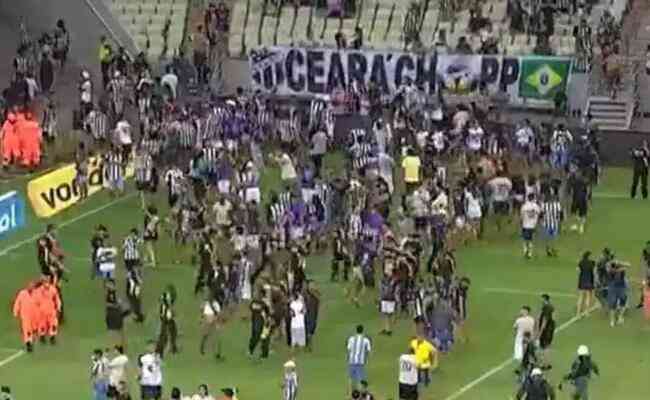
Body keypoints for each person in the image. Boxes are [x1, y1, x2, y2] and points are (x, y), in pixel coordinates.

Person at [12, 282, 38, 352]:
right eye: (30, 287)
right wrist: (15, 311)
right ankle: (28, 343)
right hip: (25, 315)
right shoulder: (22, 293)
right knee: (27, 330)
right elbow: (17, 302)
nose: (31, 288)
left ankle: (30, 341)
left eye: (32, 287)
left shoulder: (36, 294)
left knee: (33, 330)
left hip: (34, 315)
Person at [346, 324, 372, 393]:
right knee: (360, 379)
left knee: (350, 378)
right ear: (362, 330)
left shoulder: (351, 338)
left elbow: (348, 350)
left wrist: (348, 359)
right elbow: (369, 351)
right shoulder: (366, 340)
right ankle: (359, 394)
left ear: (356, 330)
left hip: (352, 361)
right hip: (361, 362)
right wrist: (367, 360)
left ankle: (350, 393)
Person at [157, 285, 179, 356]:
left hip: (167, 318)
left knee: (173, 333)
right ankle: (159, 351)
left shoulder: (166, 300)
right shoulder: (165, 301)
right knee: (164, 335)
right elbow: (165, 309)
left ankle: (173, 348)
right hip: (165, 319)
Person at [607, 259, 629, 327]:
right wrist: (620, 262)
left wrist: (617, 262)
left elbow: (628, 265)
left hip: (618, 288)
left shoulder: (611, 270)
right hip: (615, 288)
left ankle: (618, 318)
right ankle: (615, 319)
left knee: (617, 304)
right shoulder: (619, 270)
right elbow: (628, 265)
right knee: (614, 304)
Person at [539, 192, 562, 257]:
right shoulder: (557, 205)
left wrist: (541, 222)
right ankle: (553, 249)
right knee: (553, 238)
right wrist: (559, 221)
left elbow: (541, 215)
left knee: (548, 238)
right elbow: (560, 214)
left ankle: (548, 249)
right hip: (554, 224)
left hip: (546, 224)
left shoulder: (544, 205)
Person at [536, 294, 555, 370]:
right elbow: (554, 318)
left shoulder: (546, 308)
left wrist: (540, 332)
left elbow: (544, 320)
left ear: (544, 299)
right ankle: (547, 363)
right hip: (550, 329)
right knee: (547, 346)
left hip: (546, 330)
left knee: (544, 347)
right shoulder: (551, 307)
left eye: (542, 299)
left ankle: (544, 364)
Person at [520, 194, 541, 259]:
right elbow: (539, 214)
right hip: (533, 225)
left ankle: (525, 250)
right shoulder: (536, 206)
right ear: (533, 198)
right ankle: (530, 253)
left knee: (525, 239)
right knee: (531, 240)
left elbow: (521, 216)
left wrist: (520, 224)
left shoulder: (524, 206)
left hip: (525, 225)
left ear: (528, 198)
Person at [577, 251, 596, 317]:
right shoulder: (592, 263)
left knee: (581, 297)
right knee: (588, 297)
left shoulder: (581, 262)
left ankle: (578, 313)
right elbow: (593, 272)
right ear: (589, 256)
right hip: (589, 281)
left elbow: (578, 271)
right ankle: (586, 312)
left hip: (582, 281)